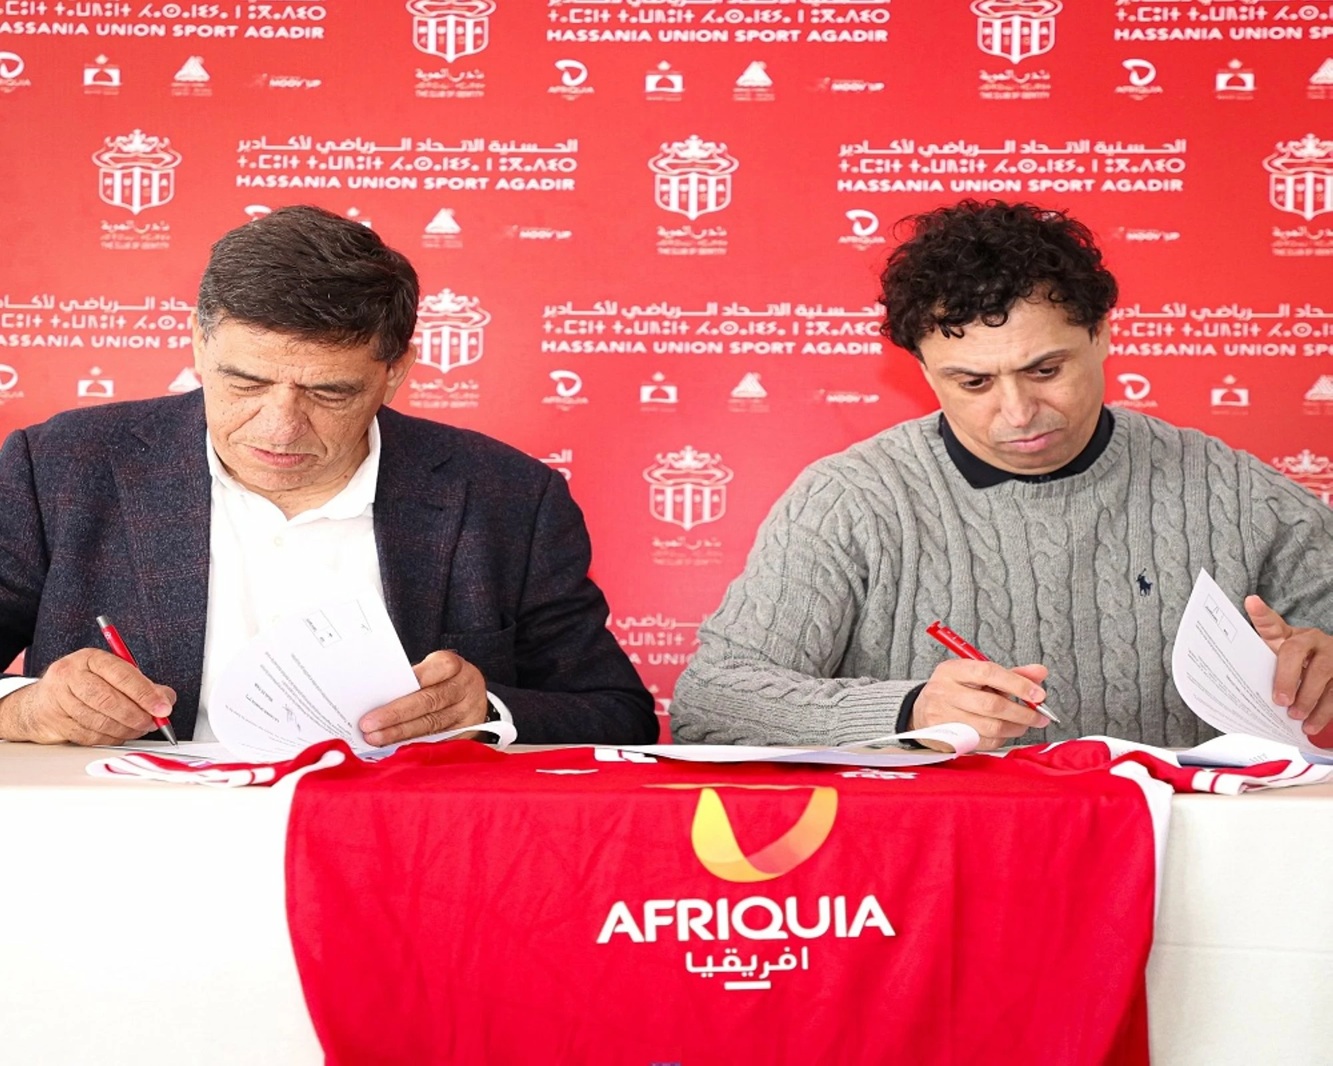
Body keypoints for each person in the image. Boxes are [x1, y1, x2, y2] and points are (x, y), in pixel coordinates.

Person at [671, 200, 1333, 750]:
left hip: (1178, 858)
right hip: (937, 857)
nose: (1017, 412)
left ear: (1102, 335)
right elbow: (709, 703)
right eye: (973, 382)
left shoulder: (1244, 497)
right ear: (923, 371)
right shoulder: (851, 501)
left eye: (1045, 370)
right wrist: (907, 713)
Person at [0, 205, 656, 747]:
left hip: (395, 843)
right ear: (199, 344)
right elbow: (24, 709)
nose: (280, 427)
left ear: (394, 373)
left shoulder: (506, 496)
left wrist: (484, 710)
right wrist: (26, 711)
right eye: (245, 383)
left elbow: (617, 713)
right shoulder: (58, 468)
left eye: (329, 392)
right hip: (124, 832)